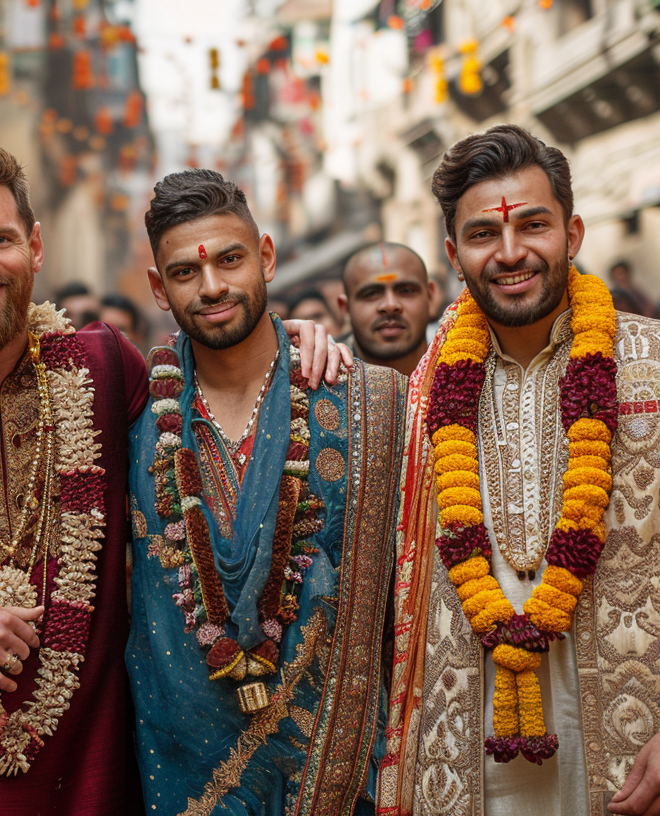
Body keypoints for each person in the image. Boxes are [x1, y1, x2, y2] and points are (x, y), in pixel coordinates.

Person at [0, 141, 347, 815]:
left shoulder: (105, 370)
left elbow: (214, 376)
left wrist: (287, 340)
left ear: (34, 246)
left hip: (91, 774)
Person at [378, 124, 660, 816]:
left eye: (533, 225)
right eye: (483, 235)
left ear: (572, 234)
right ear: (453, 253)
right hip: (467, 776)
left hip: (649, 767)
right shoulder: (412, 396)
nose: (511, 253)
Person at [126, 169, 403, 814]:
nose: (213, 286)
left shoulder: (365, 402)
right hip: (179, 770)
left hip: (339, 775)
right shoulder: (133, 415)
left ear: (267, 257)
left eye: (231, 259)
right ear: (158, 289)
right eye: (186, 272)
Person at [338, 241, 436, 376]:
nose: (390, 305)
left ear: (430, 297)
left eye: (406, 290)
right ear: (345, 309)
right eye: (371, 294)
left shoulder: (465, 365)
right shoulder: (320, 375)